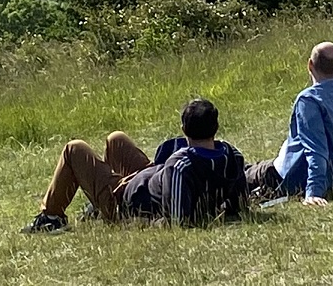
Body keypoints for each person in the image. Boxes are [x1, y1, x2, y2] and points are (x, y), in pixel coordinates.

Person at [22, 98, 246, 232]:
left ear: (184, 129)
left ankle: (51, 217)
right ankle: (95, 208)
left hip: (123, 201)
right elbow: (240, 203)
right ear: (215, 127)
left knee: (74, 148)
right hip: (149, 178)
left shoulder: (180, 165)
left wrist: (133, 222)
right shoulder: (231, 155)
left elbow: (177, 222)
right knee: (116, 139)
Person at [246, 41, 333, 207]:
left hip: (291, 177)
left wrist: (313, 192)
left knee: (244, 174)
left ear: (310, 65)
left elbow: (316, 149)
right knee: (249, 167)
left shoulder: (308, 100)